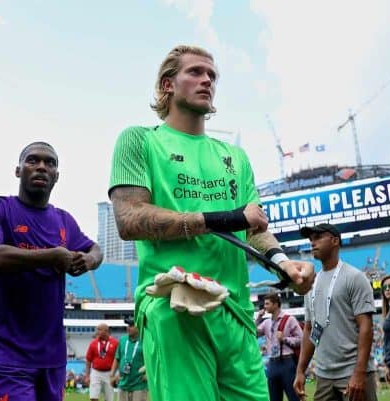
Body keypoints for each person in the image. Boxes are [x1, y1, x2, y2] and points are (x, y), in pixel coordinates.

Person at [108, 45, 315, 401]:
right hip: (174, 306)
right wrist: (227, 217)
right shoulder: (140, 140)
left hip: (236, 312)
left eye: (212, 75)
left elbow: (255, 228)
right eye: (195, 72)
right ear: (167, 84)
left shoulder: (234, 157)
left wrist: (283, 263)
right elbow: (130, 219)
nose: (207, 80)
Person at [0, 142, 102, 401]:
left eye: (49, 163)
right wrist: (50, 255)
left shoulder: (64, 220)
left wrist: (89, 260)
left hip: (52, 358)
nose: (41, 166)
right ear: (18, 171)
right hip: (4, 354)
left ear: (57, 176)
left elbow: (96, 249)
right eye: (32, 160)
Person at [295, 223, 377, 401]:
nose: (312, 243)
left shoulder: (354, 277)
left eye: (318, 238)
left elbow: (366, 327)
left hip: (352, 371)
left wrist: (359, 372)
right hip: (324, 375)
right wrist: (301, 370)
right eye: (310, 239)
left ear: (334, 241)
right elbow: (310, 329)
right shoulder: (311, 284)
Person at [256, 293, 302, 401]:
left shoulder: (289, 319)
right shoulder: (266, 322)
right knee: (274, 398)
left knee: (294, 397)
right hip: (272, 363)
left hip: (287, 362)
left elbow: (301, 339)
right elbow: (253, 332)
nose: (265, 306)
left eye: (267, 304)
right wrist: (258, 318)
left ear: (276, 304)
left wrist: (285, 339)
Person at [111, 317, 149, 401]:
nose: (128, 327)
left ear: (139, 326)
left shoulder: (145, 341)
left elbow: (152, 361)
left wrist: (148, 374)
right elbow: (117, 358)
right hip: (123, 383)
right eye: (128, 325)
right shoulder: (122, 340)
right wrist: (112, 375)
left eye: (131, 325)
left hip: (139, 384)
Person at [85, 323, 119, 401]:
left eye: (99, 329)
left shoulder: (115, 343)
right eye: (97, 329)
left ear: (106, 331)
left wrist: (116, 374)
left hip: (109, 373)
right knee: (93, 397)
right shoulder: (93, 343)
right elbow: (88, 360)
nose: (97, 331)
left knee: (109, 398)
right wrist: (87, 375)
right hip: (96, 372)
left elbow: (118, 359)